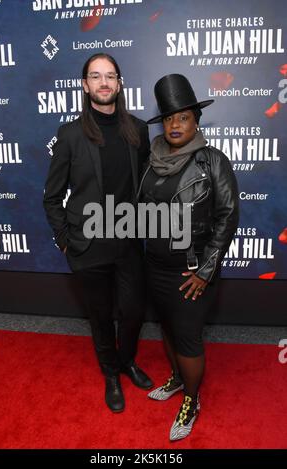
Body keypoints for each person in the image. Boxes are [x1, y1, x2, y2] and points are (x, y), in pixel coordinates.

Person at [43, 53, 153, 413]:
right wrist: (64, 241)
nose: (104, 82)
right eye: (96, 76)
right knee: (101, 315)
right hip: (87, 245)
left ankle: (126, 361)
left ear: (119, 84)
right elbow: (52, 196)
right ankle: (110, 373)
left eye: (110, 76)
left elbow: (149, 185)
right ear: (85, 85)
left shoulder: (138, 130)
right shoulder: (71, 135)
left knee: (134, 311)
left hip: (128, 242)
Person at [139, 74, 239, 441]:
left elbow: (228, 216)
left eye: (182, 117)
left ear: (196, 119)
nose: (174, 124)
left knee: (188, 338)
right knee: (166, 327)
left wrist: (206, 271)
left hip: (191, 271)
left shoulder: (212, 162)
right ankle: (179, 380)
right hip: (156, 266)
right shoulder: (152, 160)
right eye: (168, 118)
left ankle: (192, 400)